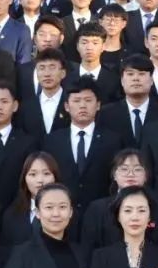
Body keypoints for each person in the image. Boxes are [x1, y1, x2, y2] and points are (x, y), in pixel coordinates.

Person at [43, 77, 122, 209]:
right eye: (76, 101)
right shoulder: (52, 141)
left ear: (98, 105)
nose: (82, 105)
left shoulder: (113, 140)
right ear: (66, 106)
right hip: (62, 211)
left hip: (102, 211)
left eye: (88, 100)